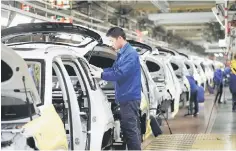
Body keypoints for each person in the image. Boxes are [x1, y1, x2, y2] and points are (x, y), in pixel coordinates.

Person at [91, 27, 142, 150]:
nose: (110, 44)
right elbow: (114, 70)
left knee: (130, 131)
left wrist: (102, 75)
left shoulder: (130, 54)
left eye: (111, 41)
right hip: (125, 97)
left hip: (129, 98)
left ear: (120, 38)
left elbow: (120, 73)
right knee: (129, 130)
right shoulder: (122, 54)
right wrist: (102, 71)